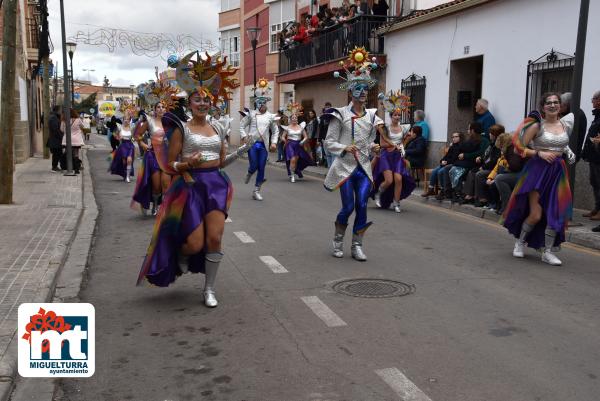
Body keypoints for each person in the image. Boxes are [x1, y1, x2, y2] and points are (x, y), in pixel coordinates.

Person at [137, 51, 253, 307]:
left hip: (216, 185)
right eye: (197, 99)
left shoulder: (219, 128)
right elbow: (170, 163)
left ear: (212, 103)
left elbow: (221, 162)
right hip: (189, 186)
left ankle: (209, 289)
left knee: (215, 239)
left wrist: (241, 152)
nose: (202, 103)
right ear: (189, 103)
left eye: (206, 100)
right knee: (194, 243)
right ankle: (181, 253)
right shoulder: (181, 129)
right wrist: (187, 163)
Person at [502, 94, 576, 266]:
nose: (552, 105)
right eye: (548, 103)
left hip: (558, 171)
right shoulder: (537, 126)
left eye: (556, 102)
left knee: (556, 212)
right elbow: (518, 148)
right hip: (538, 171)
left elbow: (561, 142)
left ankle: (547, 252)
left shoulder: (565, 124)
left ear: (560, 105)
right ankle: (520, 242)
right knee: (536, 214)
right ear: (543, 107)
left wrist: (568, 150)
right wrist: (538, 152)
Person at [324, 47, 383, 261]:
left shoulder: (371, 116)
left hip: (363, 167)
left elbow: (369, 141)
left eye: (366, 89)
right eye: (359, 88)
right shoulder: (339, 114)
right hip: (345, 167)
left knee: (362, 205)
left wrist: (374, 147)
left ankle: (357, 245)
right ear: (351, 90)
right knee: (348, 206)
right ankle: (338, 240)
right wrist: (343, 148)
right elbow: (328, 142)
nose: (363, 93)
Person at [131, 77, 178, 216]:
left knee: (166, 184)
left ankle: (163, 206)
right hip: (153, 156)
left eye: (163, 106)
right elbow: (137, 135)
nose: (161, 109)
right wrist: (144, 144)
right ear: (155, 108)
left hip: (166, 156)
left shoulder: (170, 122)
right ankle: (155, 205)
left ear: (166, 108)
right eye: (158, 107)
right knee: (156, 186)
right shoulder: (150, 121)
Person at [371, 90, 415, 213]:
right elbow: (383, 144)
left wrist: (407, 141)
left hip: (397, 157)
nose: (397, 117)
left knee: (399, 179)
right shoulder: (385, 128)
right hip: (386, 156)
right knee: (389, 180)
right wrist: (394, 145)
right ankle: (378, 193)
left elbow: (404, 143)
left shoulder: (403, 128)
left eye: (399, 115)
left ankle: (396, 203)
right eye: (395, 115)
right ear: (391, 116)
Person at [240, 78, 279, 201]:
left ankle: (256, 190)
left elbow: (276, 130)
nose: (262, 105)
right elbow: (241, 125)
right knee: (254, 165)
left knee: (262, 167)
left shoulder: (270, 116)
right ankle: (250, 172)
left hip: (263, 146)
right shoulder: (251, 114)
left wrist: (273, 143)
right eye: (260, 103)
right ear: (257, 103)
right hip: (252, 144)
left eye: (264, 103)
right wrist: (244, 136)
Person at [460, 124, 504, 207]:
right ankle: (470, 195)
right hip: (487, 166)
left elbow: (494, 161)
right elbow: (486, 155)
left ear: (495, 134)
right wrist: (480, 158)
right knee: (472, 171)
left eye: (491, 133)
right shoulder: (492, 143)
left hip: (493, 169)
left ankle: (482, 198)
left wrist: (483, 167)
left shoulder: (498, 145)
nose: (489, 134)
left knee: (479, 174)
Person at [280, 103, 314, 182]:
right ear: (291, 119)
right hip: (290, 145)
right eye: (293, 118)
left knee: (298, 160)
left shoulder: (301, 127)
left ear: (297, 119)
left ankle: (295, 171)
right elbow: (282, 136)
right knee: (292, 159)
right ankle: (292, 176)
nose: (294, 119)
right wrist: (285, 140)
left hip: (299, 145)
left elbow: (306, 136)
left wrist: (302, 141)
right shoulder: (287, 127)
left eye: (295, 118)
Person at [423, 132, 463, 198]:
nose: (454, 138)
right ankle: (431, 189)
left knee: (440, 172)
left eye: (456, 137)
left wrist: (446, 162)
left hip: (453, 165)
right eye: (453, 137)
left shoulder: (461, 147)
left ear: (460, 138)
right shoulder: (452, 146)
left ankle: (443, 190)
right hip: (446, 164)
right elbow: (446, 156)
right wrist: (442, 161)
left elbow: (454, 158)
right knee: (434, 171)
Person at [581, 90, 600, 224]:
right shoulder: (597, 115)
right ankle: (596, 208)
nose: (592, 101)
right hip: (593, 155)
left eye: (593, 99)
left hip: (599, 156)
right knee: (594, 182)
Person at [109, 106, 136, 182]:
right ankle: (125, 173)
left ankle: (127, 177)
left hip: (130, 146)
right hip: (123, 146)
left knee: (129, 160)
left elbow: (136, 136)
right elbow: (114, 134)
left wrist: (134, 138)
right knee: (124, 161)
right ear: (123, 120)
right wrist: (118, 137)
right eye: (125, 119)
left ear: (129, 120)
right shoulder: (120, 127)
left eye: (128, 119)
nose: (126, 121)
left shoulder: (132, 127)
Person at [61, 109, 85, 174]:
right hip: (76, 139)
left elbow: (62, 130)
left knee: (67, 153)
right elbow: (83, 126)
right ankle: (77, 169)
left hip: (67, 140)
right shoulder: (78, 120)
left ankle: (67, 167)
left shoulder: (64, 120)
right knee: (76, 154)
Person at [47, 106, 64, 172]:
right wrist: (61, 136)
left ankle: (58, 166)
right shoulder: (53, 118)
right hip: (55, 140)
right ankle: (54, 167)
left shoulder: (55, 117)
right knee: (56, 154)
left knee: (58, 153)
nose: (61, 112)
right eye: (60, 110)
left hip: (56, 139)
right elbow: (55, 129)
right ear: (57, 110)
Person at [319, 102, 333, 167]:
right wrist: (320, 139)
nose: (327, 109)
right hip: (324, 138)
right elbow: (321, 129)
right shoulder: (322, 118)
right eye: (326, 108)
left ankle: (333, 168)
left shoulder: (333, 117)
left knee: (332, 154)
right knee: (327, 154)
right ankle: (329, 168)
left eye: (328, 107)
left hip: (332, 138)